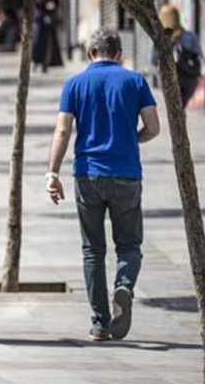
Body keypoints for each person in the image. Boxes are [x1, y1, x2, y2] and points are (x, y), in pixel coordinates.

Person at [45, 27, 160, 341]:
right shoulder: (135, 81)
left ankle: (99, 324)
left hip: (88, 174)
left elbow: (63, 132)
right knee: (129, 245)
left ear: (89, 53)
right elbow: (153, 127)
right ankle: (124, 285)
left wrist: (52, 173)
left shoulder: (75, 84)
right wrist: (129, 140)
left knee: (92, 251)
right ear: (120, 54)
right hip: (126, 172)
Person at [153, 5, 202, 108]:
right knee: (181, 108)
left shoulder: (160, 39)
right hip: (189, 79)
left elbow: (153, 60)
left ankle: (178, 122)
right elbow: (198, 56)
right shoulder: (189, 36)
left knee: (174, 110)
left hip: (168, 80)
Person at [33, 0, 64, 72]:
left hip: (50, 21)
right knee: (37, 42)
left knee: (49, 44)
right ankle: (36, 62)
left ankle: (46, 64)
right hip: (39, 21)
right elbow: (35, 5)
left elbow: (57, 3)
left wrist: (53, 7)